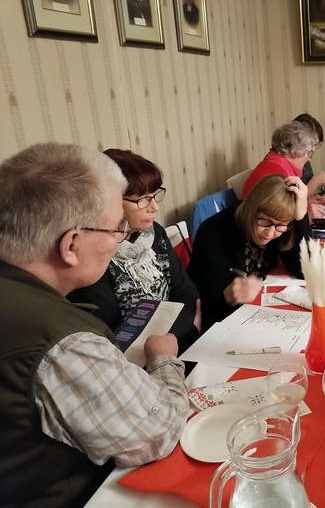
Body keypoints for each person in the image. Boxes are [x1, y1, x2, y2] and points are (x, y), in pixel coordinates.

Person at [0, 143, 189, 507]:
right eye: (117, 227)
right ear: (71, 244)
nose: (121, 238)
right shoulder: (64, 344)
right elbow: (159, 432)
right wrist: (164, 361)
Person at [67, 149, 201, 353]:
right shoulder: (94, 253)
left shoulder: (154, 233)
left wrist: (176, 337)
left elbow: (187, 292)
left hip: (173, 345)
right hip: (135, 358)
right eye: (143, 199)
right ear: (111, 201)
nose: (154, 207)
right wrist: (189, 330)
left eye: (155, 195)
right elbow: (113, 330)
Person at [188, 174, 311, 331]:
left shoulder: (278, 223)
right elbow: (208, 311)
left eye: (280, 225)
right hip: (219, 325)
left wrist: (301, 216)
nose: (269, 233)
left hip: (253, 311)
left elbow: (304, 270)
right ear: (252, 209)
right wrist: (229, 297)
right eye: (264, 221)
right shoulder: (214, 234)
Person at [241, 121, 325, 220]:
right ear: (294, 150)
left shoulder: (275, 163)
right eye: (309, 153)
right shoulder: (278, 174)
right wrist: (306, 214)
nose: (308, 159)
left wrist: (305, 202)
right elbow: (280, 219)